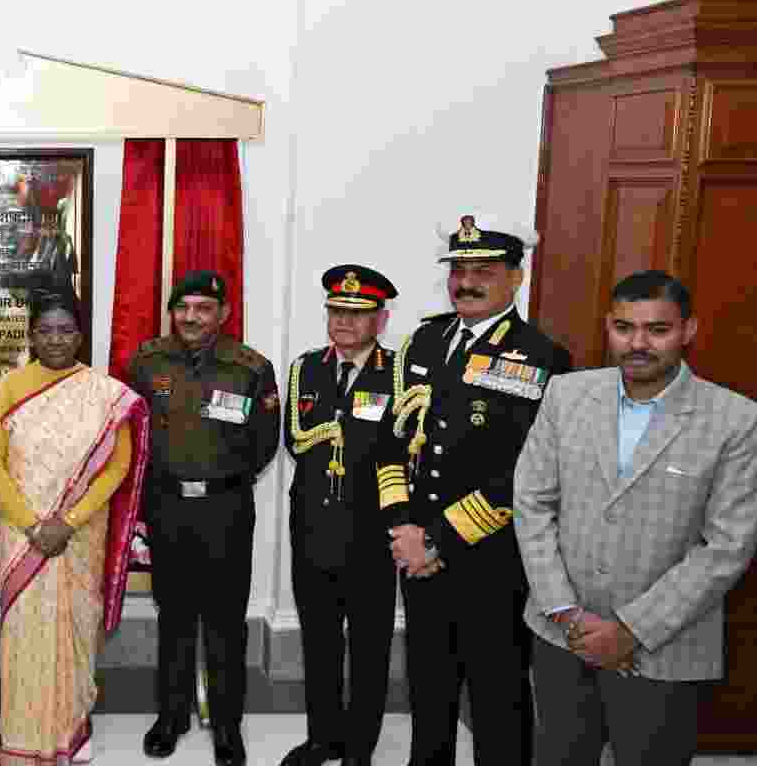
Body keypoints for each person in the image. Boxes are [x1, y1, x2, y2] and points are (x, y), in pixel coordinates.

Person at [515, 270, 757, 765]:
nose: (638, 343)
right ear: (608, 327)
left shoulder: (736, 420)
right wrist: (565, 612)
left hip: (664, 647)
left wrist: (629, 630)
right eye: (624, 328)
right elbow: (531, 503)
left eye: (657, 329)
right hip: (562, 635)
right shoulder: (566, 395)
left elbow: (728, 546)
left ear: (688, 330)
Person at [376, 215, 572, 766]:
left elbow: (530, 471)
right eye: (459, 269)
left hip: (490, 556)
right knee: (428, 686)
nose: (466, 281)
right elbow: (393, 442)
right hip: (417, 552)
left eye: (483, 271)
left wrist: (438, 538)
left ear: (516, 276)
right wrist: (403, 528)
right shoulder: (425, 341)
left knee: (497, 693)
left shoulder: (540, 356)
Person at [0, 291, 151, 765]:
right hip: (24, 536)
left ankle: (72, 726)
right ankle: (21, 730)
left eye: (66, 331)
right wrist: (34, 523)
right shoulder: (10, 387)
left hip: (78, 536)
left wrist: (67, 522)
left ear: (80, 336)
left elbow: (118, 465)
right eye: (46, 330)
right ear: (32, 335)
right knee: (24, 634)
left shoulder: (104, 392)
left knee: (76, 629)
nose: (55, 340)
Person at [127, 269, 281, 766]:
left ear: (223, 314)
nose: (191, 317)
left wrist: (221, 478)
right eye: (183, 307)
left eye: (203, 308)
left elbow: (264, 441)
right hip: (168, 506)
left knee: (225, 621)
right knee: (173, 618)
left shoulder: (250, 367)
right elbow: (135, 433)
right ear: (173, 311)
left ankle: (227, 725)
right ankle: (169, 717)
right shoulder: (148, 362)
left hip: (226, 509)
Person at [280, 265, 400, 766]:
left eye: (357, 313)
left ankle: (359, 747)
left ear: (381, 319)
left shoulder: (397, 373)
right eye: (336, 310)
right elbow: (295, 439)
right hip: (312, 531)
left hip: (371, 535)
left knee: (369, 649)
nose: (343, 321)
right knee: (320, 644)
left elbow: (400, 450)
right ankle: (322, 738)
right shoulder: (305, 369)